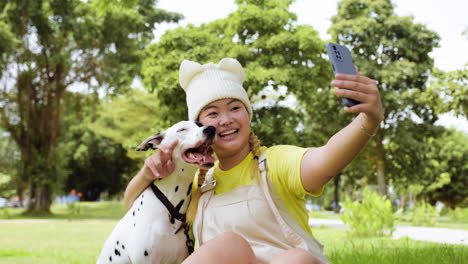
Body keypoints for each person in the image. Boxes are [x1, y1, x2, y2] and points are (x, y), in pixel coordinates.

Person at [124, 58, 383, 264]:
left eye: (235, 108)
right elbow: (133, 205)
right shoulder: (198, 181)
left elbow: (325, 159)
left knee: (298, 260)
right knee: (228, 245)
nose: (225, 119)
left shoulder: (275, 162)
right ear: (200, 129)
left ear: (248, 116)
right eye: (213, 113)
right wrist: (147, 174)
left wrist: (367, 120)